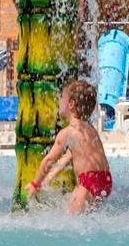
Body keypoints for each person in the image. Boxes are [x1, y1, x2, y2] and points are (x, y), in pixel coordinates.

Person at [25, 80, 112, 214]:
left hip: (88, 181)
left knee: (71, 221)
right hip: (105, 180)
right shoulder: (90, 129)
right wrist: (50, 177)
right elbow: (68, 157)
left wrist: (35, 184)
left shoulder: (67, 132)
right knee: (86, 218)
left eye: (62, 97)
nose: (59, 100)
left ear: (71, 104)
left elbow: (49, 160)